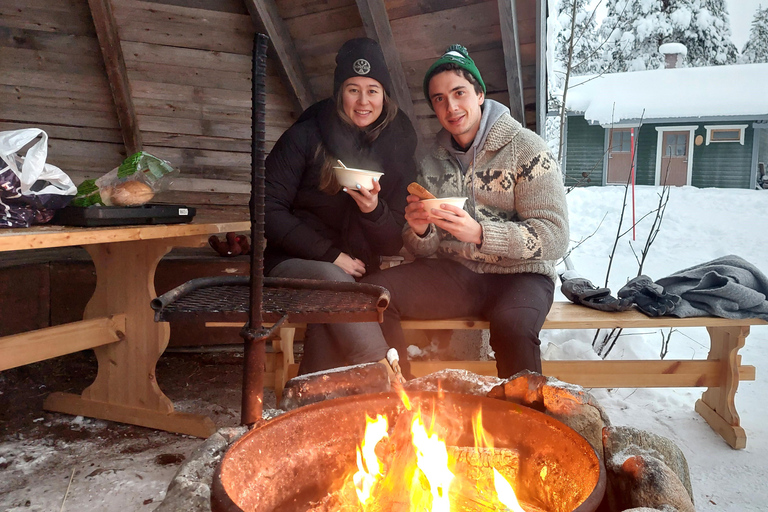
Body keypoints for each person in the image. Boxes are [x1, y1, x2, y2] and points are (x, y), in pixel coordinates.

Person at [362, 44, 569, 379]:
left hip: (522, 276)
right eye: (439, 98)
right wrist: (419, 231)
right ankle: (402, 400)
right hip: (457, 274)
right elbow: (423, 249)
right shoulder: (432, 159)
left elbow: (555, 236)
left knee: (513, 327)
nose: (451, 106)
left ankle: (522, 423)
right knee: (376, 297)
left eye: (459, 92)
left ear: (480, 94)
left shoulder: (527, 148)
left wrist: (481, 234)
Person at [264, 37, 417, 376]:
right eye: (353, 89)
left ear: (384, 95)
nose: (363, 101)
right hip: (294, 264)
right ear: (339, 93)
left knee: (333, 315)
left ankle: (312, 401)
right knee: (339, 288)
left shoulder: (397, 149)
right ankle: (391, 384)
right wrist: (330, 255)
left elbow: (393, 241)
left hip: (357, 272)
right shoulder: (304, 138)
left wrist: (373, 210)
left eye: (373, 90)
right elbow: (265, 210)